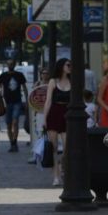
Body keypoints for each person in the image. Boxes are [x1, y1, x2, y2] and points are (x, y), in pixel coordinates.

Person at [42, 58, 71, 186]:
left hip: (67, 114)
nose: (70, 67)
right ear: (61, 66)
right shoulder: (53, 81)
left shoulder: (72, 81)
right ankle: (56, 176)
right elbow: (48, 101)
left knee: (67, 146)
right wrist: (44, 119)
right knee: (53, 147)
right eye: (67, 65)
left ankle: (60, 165)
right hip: (54, 113)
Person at [0, 60, 28, 152]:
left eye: (12, 64)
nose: (10, 65)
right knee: (8, 124)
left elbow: (24, 87)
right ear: (7, 65)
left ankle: (14, 142)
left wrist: (26, 100)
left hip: (17, 102)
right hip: (6, 103)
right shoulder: (3, 76)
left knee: (15, 122)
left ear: (15, 65)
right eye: (9, 64)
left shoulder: (19, 75)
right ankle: (12, 144)